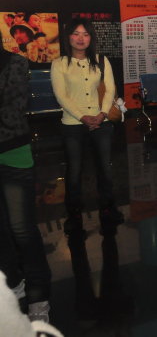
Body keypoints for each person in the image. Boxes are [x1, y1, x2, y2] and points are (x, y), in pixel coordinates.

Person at [50, 19, 124, 236]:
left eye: (85, 34)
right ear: (68, 37)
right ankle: (74, 216)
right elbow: (61, 96)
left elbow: (110, 89)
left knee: (105, 169)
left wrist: (102, 114)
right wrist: (83, 117)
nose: (81, 38)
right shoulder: (59, 64)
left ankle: (108, 209)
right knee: (74, 172)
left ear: (91, 38)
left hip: (102, 123)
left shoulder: (101, 60)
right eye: (76, 33)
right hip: (73, 124)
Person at [0, 47, 52, 323]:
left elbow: (13, 111)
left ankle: (38, 296)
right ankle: (13, 282)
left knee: (22, 229)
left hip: (13, 152)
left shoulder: (16, 62)